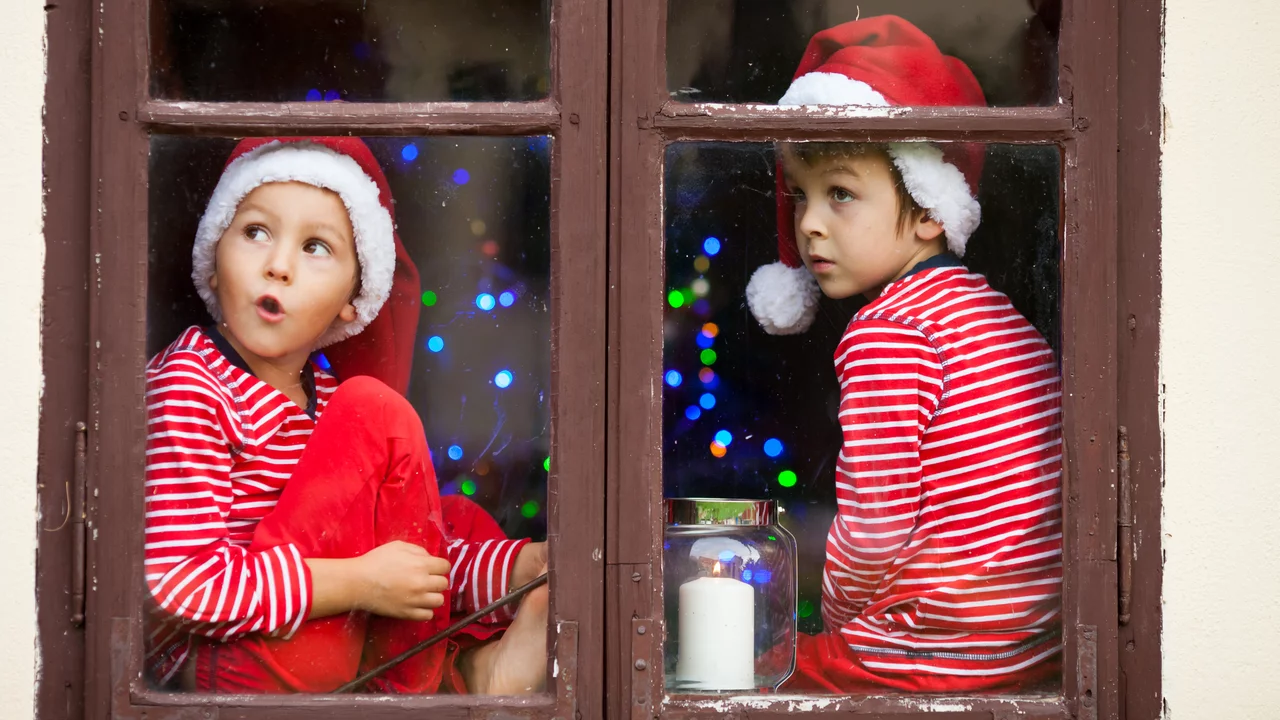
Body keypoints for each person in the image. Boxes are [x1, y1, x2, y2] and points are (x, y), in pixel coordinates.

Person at [144, 136, 548, 695]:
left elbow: (400, 564)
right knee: (376, 411)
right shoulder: (191, 382)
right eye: (254, 232)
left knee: (454, 520)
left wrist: (518, 569)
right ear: (213, 259)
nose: (277, 265)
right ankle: (445, 680)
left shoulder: (326, 396)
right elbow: (176, 585)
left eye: (315, 247)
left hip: (316, 647)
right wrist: (358, 582)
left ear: (351, 302)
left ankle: (465, 667)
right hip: (224, 668)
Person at [746, 16, 1063, 693]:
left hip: (933, 649)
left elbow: (876, 526)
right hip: (1031, 644)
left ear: (928, 208)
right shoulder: (992, 313)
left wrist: (835, 626)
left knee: (740, 672)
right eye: (799, 195)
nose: (807, 223)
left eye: (840, 194)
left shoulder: (889, 330)